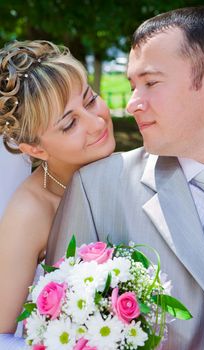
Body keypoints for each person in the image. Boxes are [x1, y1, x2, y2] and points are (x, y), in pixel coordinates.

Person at [46, 7, 204, 350]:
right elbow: (59, 330)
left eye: (150, 83)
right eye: (132, 85)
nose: (132, 104)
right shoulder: (97, 188)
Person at [0, 39, 115, 349]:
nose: (96, 122)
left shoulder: (125, 167)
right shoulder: (30, 214)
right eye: (70, 123)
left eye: (90, 100)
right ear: (35, 149)